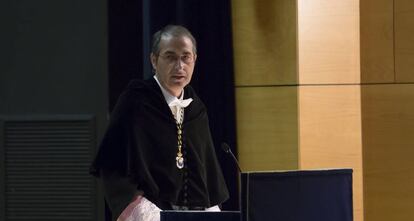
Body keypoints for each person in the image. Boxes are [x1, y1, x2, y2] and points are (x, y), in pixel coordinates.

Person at [90, 25, 229, 221]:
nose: (180, 66)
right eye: (170, 57)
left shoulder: (196, 108)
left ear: (195, 60)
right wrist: (140, 211)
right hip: (150, 213)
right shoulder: (135, 102)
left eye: (186, 57)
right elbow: (113, 165)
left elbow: (204, 172)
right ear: (154, 60)